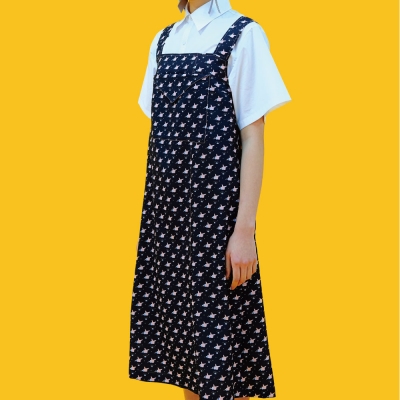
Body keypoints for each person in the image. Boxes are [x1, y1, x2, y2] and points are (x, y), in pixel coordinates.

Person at [129, 1, 292, 399]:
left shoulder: (243, 34)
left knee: (222, 350)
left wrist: (244, 231)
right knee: (187, 354)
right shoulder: (164, 40)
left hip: (214, 218)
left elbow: (253, 137)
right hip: (167, 217)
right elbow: (163, 132)